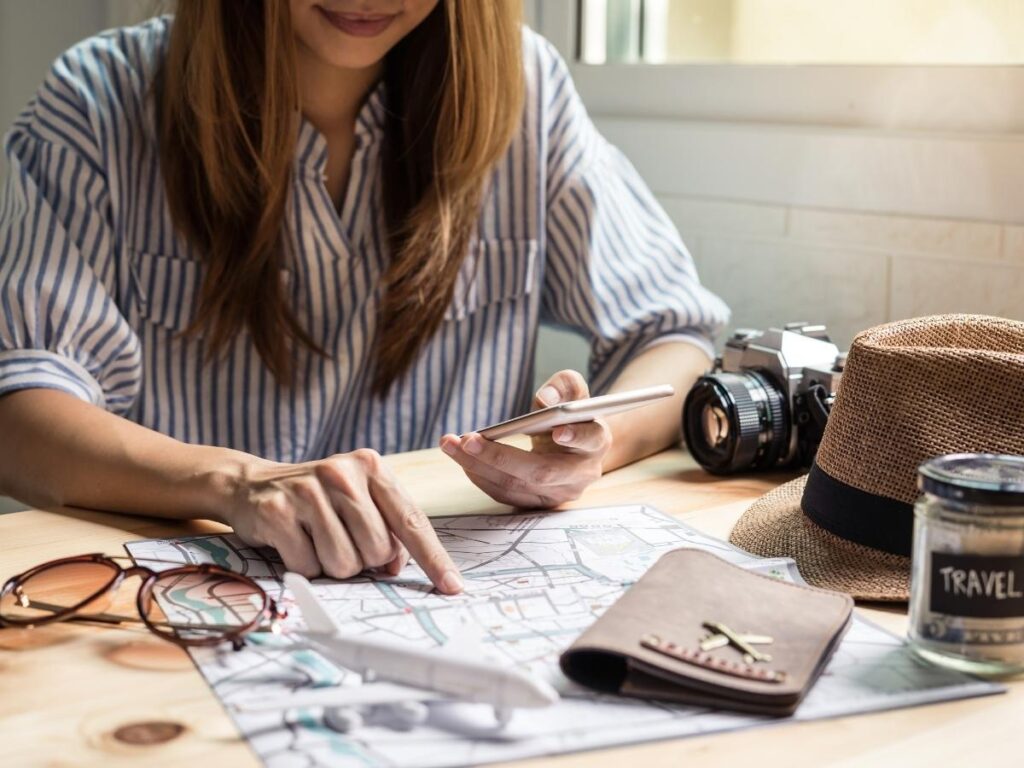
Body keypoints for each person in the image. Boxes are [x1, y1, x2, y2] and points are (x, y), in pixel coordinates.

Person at [0, 1, 729, 593]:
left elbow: (674, 337)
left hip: (442, 591)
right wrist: (237, 485)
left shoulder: (527, 89)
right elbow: (20, 415)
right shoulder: (101, 99)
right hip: (189, 595)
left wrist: (587, 452)